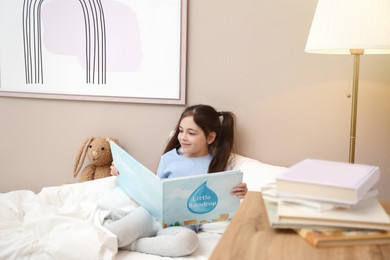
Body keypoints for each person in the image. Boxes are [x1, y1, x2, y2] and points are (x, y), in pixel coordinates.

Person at [104, 104, 247, 257]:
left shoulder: (216, 166)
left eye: (191, 133)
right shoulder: (169, 158)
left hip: (183, 227)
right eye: (181, 130)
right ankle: (118, 232)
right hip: (151, 215)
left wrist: (240, 192)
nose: (183, 137)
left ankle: (133, 244)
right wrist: (122, 173)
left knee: (188, 242)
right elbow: (153, 187)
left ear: (210, 137)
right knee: (112, 235)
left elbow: (223, 201)